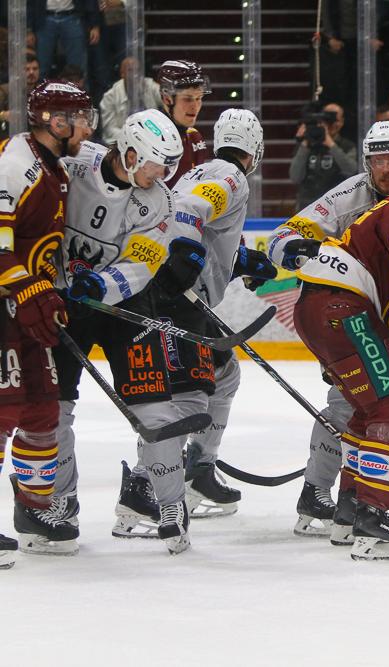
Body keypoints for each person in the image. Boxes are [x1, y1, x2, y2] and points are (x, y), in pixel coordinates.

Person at [107, 109, 269, 554]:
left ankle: (198, 468)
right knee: (187, 401)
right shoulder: (232, 177)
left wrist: (239, 261)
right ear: (255, 150)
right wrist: (183, 259)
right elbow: (192, 211)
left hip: (172, 291)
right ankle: (143, 488)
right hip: (175, 299)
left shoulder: (199, 170)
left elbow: (199, 223)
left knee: (225, 374)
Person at [293, 170, 389, 560]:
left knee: (366, 412)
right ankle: (374, 518)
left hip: (325, 309)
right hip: (342, 306)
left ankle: (350, 511)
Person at [52, 109, 184, 550]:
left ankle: (170, 503)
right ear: (129, 153)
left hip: (124, 304)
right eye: (156, 165)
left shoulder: (160, 201)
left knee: (155, 410)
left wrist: (99, 284)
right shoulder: (74, 165)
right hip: (62, 303)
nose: (162, 175)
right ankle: (60, 501)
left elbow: (142, 264)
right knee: (54, 409)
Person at [0, 80, 97, 564]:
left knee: (42, 411)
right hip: (4, 307)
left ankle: (35, 512)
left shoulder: (53, 166)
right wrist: (26, 288)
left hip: (24, 309)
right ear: (55, 122)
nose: (88, 128)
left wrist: (47, 291)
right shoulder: (14, 165)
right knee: (2, 411)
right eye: (81, 119)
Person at [267, 120, 389, 272]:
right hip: (362, 280)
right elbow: (280, 237)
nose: (385, 170)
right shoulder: (348, 195)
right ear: (368, 163)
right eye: (378, 161)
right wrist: (295, 245)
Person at [157, 60, 213, 188]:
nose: (195, 106)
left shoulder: (194, 137)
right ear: (167, 99)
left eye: (198, 98)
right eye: (187, 99)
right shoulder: (148, 139)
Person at [290, 103, 356, 211]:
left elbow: (351, 170)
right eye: (327, 120)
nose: (331, 124)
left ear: (342, 122)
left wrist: (331, 144)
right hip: (307, 206)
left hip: (336, 206)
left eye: (335, 120)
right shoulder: (306, 145)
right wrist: (305, 143)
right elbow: (295, 176)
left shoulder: (347, 146)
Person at [99, 57, 162, 146]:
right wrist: (135, 137)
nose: (135, 74)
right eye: (130, 70)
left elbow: (167, 99)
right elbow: (110, 131)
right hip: (122, 144)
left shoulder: (149, 85)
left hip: (152, 140)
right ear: (122, 74)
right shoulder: (110, 97)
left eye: (138, 70)